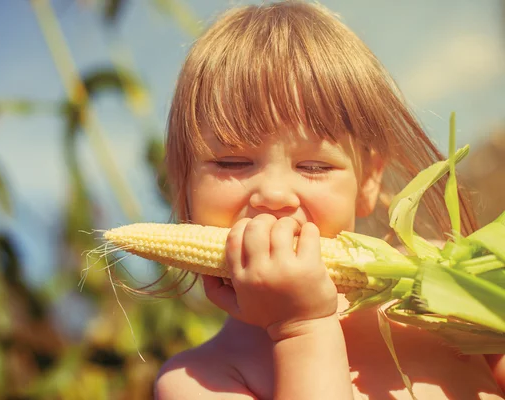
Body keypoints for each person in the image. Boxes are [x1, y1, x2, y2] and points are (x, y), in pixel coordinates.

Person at [153, 1, 505, 398]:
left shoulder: (441, 286)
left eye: (314, 166)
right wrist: (300, 327)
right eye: (232, 162)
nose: (274, 194)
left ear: (368, 180)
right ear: (183, 184)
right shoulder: (199, 380)